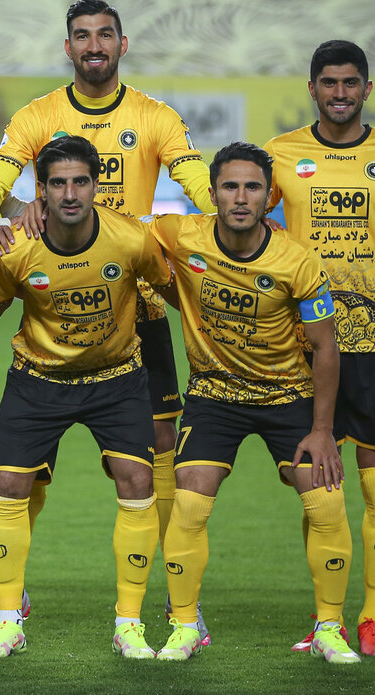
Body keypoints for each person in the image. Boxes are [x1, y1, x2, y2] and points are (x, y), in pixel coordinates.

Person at [0, 0, 215, 638]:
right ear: (69, 47)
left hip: (139, 303)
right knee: (27, 465)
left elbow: (199, 184)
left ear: (122, 44)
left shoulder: (154, 117)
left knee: (156, 453)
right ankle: (11, 598)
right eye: (82, 36)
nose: (94, 46)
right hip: (56, 296)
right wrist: (7, 215)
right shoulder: (38, 116)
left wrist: (219, 226)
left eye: (104, 35)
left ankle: (166, 589)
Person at [149, 142, 359, 664]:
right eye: (230, 186)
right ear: (212, 193)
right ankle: (183, 626)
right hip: (214, 395)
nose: (241, 198)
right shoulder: (180, 234)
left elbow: (326, 346)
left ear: (269, 196)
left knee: (325, 498)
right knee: (190, 499)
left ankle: (329, 629)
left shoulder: (297, 261)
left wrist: (322, 429)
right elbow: (112, 227)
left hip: (287, 395)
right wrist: (28, 208)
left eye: (253, 187)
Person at [264, 40, 375, 657]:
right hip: (304, 339)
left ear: (367, 89)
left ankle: (373, 619)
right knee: (316, 482)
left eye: (351, 83)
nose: (340, 93)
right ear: (311, 88)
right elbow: (252, 226)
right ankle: (328, 620)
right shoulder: (281, 155)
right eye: (329, 83)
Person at [0, 136, 170, 659]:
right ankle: (8, 620)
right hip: (38, 380)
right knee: (9, 482)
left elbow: (171, 291)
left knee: (138, 479)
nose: (69, 192)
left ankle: (129, 625)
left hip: (117, 379)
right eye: (57, 182)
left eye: (79, 181)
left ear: (97, 186)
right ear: (39, 190)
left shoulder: (131, 240)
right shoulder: (16, 247)